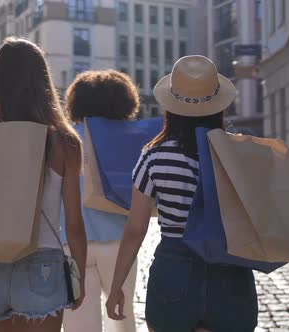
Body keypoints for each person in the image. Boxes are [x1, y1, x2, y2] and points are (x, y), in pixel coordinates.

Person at [106, 55, 259, 332]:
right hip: (231, 272)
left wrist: (116, 286)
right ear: (219, 105)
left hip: (174, 272)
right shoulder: (238, 154)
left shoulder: (154, 156)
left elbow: (135, 229)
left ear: (171, 105)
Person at [0, 37, 87, 332]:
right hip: (42, 263)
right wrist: (79, 277)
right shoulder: (64, 142)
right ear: (42, 81)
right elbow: (73, 224)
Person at [61, 70, 139, 332]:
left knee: (78, 323)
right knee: (123, 317)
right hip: (119, 242)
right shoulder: (131, 139)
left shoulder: (64, 138)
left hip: (71, 243)